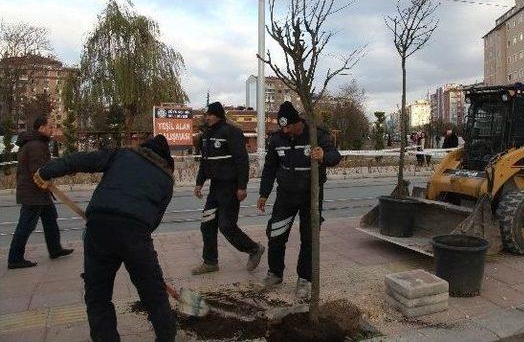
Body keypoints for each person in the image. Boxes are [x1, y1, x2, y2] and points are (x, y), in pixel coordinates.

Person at [33, 135, 177, 342]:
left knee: (97, 294)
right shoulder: (166, 179)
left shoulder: (122, 155)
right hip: (135, 234)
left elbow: (80, 160)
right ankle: (166, 337)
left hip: (99, 227)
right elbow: (154, 220)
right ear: (166, 160)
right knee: (153, 292)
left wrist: (46, 172)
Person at [257, 101, 342, 299]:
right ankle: (275, 273)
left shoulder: (316, 134)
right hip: (285, 195)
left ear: (297, 122)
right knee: (276, 234)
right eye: (282, 127)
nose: (285, 131)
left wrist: (323, 156)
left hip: (310, 196)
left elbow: (335, 156)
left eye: (288, 127)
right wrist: (264, 193)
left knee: (309, 238)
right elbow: (270, 168)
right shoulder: (277, 139)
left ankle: (304, 279)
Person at [192, 102, 264, 275]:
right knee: (207, 224)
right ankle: (210, 262)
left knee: (226, 225)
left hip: (230, 187)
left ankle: (254, 249)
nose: (206, 117)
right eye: (206, 114)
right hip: (215, 188)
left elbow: (241, 160)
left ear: (217, 115)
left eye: (209, 114)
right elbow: (205, 161)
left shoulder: (231, 132)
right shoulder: (206, 135)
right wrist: (199, 182)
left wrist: (242, 187)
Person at [7, 116, 73, 269]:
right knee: (26, 225)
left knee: (50, 219)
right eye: (50, 127)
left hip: (39, 191)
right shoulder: (37, 145)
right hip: (34, 192)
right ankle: (15, 258)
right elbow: (41, 170)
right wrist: (63, 169)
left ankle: (55, 249)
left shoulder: (36, 142)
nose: (52, 130)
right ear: (42, 128)